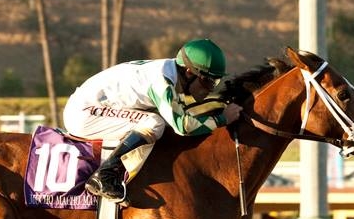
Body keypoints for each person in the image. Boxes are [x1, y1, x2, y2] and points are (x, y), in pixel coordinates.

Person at [63, 38, 243, 202]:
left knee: (158, 122)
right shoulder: (162, 82)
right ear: (189, 72)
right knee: (154, 122)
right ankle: (105, 176)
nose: (210, 89)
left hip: (93, 106)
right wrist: (222, 119)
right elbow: (183, 126)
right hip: (83, 113)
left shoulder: (170, 73)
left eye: (215, 82)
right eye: (208, 82)